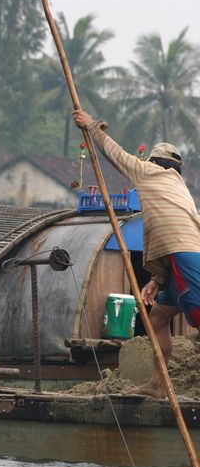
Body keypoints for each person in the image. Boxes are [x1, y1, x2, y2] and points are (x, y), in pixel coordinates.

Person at [74, 109, 200, 398]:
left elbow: (115, 154)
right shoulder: (178, 186)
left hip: (187, 257)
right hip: (181, 256)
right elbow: (167, 234)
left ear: (153, 162)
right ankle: (158, 385)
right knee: (157, 317)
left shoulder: (148, 172)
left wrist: (92, 127)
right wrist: (157, 280)